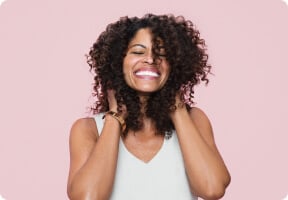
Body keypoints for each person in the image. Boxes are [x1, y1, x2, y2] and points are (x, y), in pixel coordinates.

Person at [67, 13, 231, 200]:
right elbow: (88, 197)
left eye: (161, 53)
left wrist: (177, 108)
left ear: (174, 65)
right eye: (138, 52)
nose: (150, 59)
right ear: (117, 63)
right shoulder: (88, 129)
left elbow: (212, 189)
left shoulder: (194, 119)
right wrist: (115, 117)